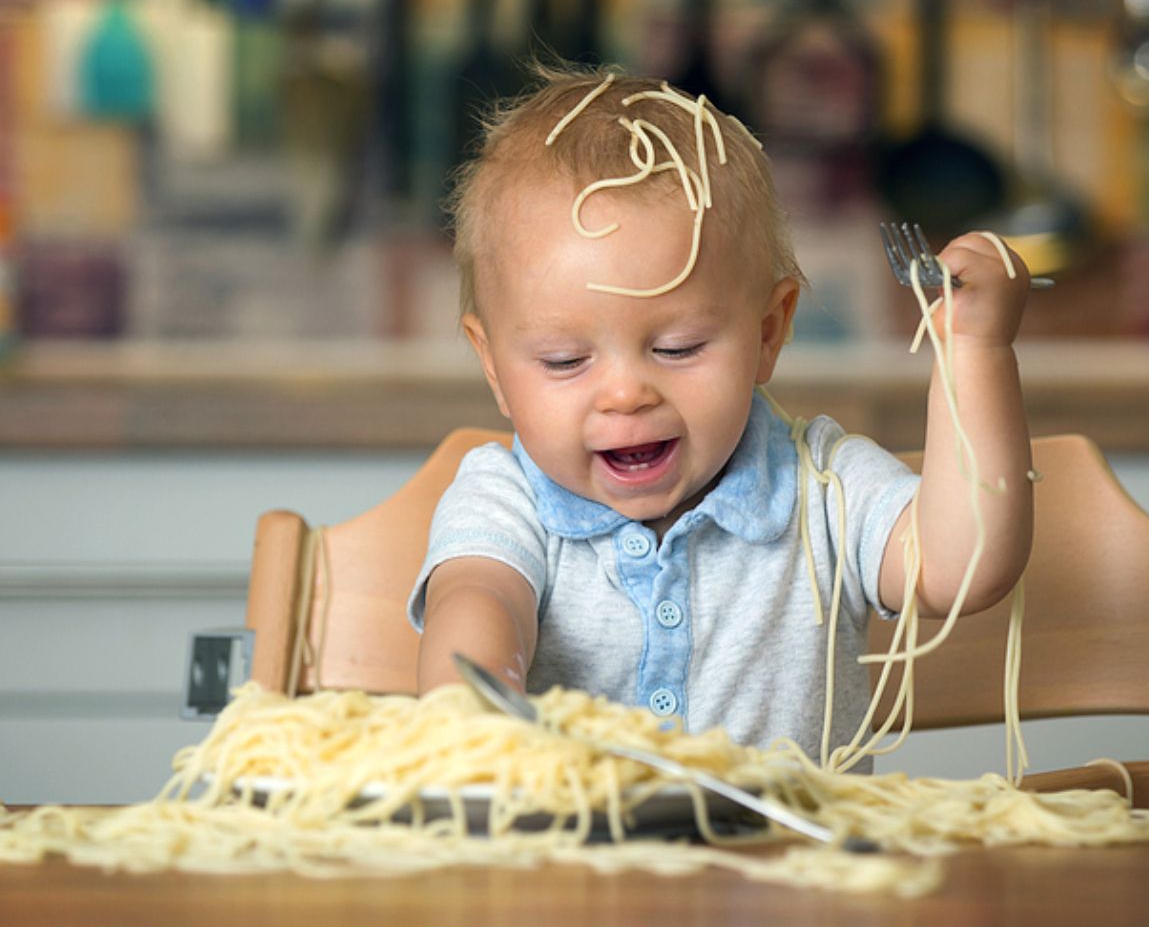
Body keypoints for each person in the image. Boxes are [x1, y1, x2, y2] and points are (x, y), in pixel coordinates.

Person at [407, 65, 1033, 763]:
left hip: (801, 867)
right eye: (563, 360)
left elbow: (964, 567)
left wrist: (976, 350)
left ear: (768, 332)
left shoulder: (822, 489)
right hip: (573, 868)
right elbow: (477, 604)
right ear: (492, 366)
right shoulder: (505, 498)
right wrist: (478, 705)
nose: (625, 395)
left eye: (678, 348)